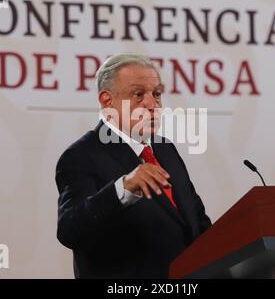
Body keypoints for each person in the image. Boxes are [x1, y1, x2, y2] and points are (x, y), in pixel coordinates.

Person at [55, 53, 211, 278]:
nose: (152, 104)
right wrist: (123, 189)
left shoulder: (165, 149)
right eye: (138, 94)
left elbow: (196, 222)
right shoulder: (81, 155)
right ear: (107, 101)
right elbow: (70, 230)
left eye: (156, 93)